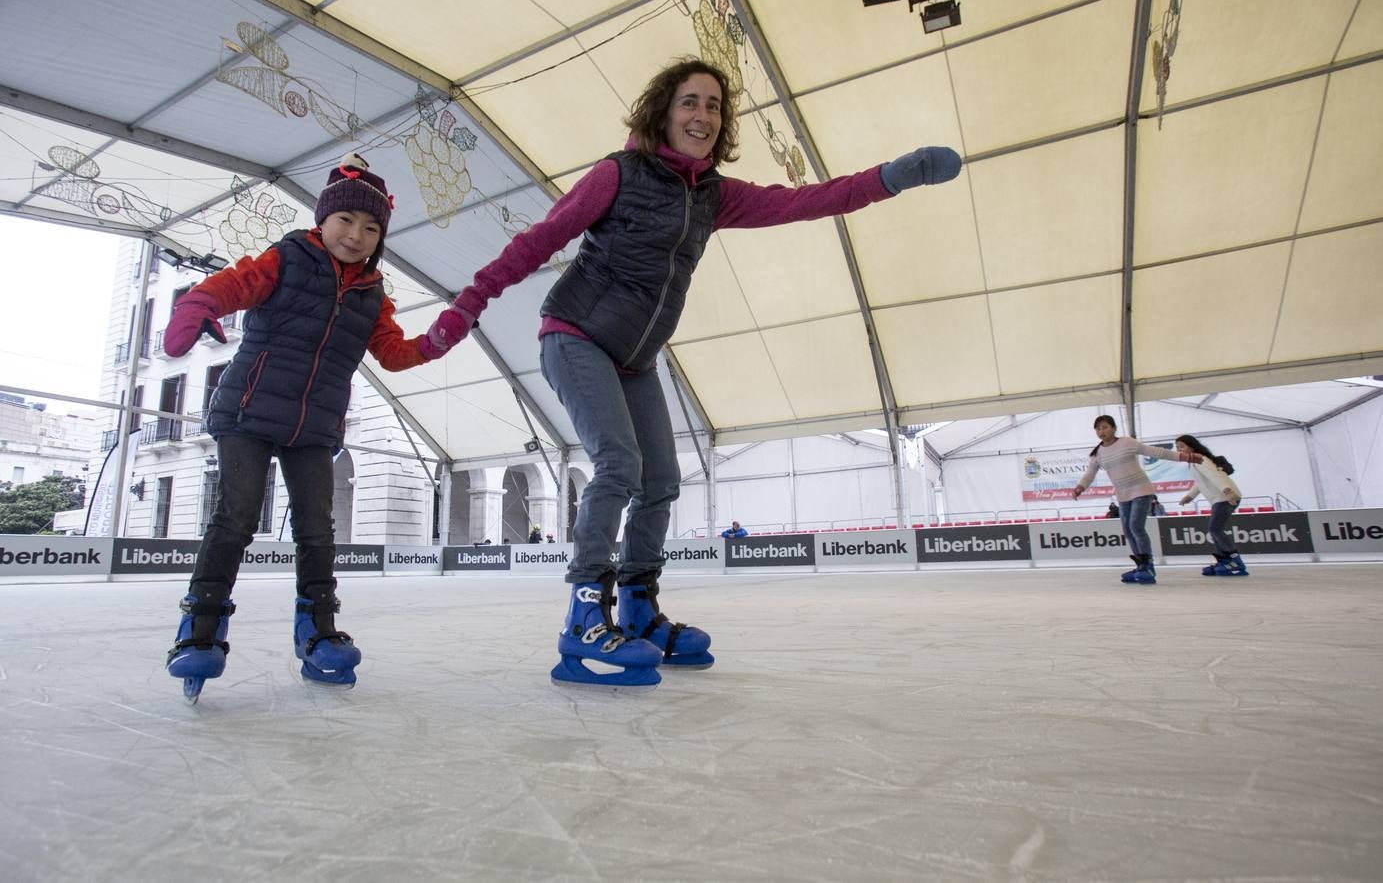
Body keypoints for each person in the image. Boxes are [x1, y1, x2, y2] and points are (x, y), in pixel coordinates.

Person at [420, 57, 962, 687]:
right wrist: (466, 308)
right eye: (689, 102)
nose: (702, 115)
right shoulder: (616, 175)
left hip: (637, 358)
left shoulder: (713, 195)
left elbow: (807, 201)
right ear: (663, 110)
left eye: (713, 105)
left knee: (663, 483)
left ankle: (640, 610)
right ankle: (582, 616)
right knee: (619, 465)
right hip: (574, 335)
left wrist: (894, 177)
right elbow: (535, 242)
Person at [161, 154, 449, 703]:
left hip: (314, 425)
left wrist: (439, 338)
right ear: (323, 219)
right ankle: (199, 629)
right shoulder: (288, 257)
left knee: (318, 528)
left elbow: (392, 353)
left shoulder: (371, 295)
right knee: (236, 516)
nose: (356, 235)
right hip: (248, 408)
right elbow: (235, 284)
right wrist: (199, 302)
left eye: (370, 228)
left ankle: (317, 630)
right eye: (346, 221)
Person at [1072, 414, 1201, 584]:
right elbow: (1090, 474)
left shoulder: (1127, 442)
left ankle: (1148, 566)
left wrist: (1185, 457)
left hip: (1141, 490)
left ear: (1113, 428)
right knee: (1127, 529)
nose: (1101, 431)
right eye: (1098, 428)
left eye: (1105, 427)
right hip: (1123, 494)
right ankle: (1141, 565)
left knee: (1136, 526)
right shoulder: (1098, 453)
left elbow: (1156, 452)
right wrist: (1080, 487)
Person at [1175, 434, 1246, 576]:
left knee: (1215, 529)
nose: (1179, 450)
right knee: (1215, 530)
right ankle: (1225, 562)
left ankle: (1235, 561)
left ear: (1192, 446)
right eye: (1177, 448)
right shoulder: (1194, 463)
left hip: (1225, 497)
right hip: (1219, 499)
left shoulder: (1201, 460)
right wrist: (1189, 496)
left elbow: (1215, 476)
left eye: (1182, 446)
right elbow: (1201, 482)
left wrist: (1228, 491)